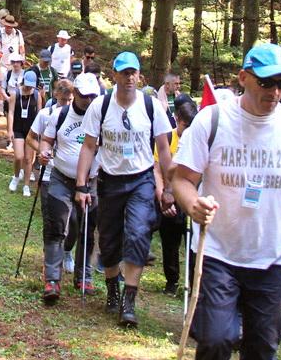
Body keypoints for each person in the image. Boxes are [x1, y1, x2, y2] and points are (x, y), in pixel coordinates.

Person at [170, 42, 281, 360]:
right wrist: (193, 205)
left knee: (263, 348)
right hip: (218, 252)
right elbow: (181, 179)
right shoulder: (214, 120)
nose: (274, 93)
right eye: (266, 83)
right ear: (243, 78)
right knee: (216, 339)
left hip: (272, 258)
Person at [74, 51, 174, 328]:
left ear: (139, 75)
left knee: (139, 233)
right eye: (124, 72)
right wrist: (82, 184)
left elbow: (164, 150)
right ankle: (112, 290)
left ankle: (129, 300)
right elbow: (89, 146)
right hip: (109, 179)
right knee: (109, 239)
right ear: (115, 75)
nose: (130, 77)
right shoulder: (101, 107)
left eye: (134, 72)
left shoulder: (152, 106)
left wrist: (168, 187)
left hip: (141, 179)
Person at [38, 75, 99, 303]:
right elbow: (46, 140)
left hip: (91, 182)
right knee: (57, 225)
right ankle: (52, 279)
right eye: (84, 96)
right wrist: (44, 152)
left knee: (86, 228)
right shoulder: (60, 114)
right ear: (76, 93)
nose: (88, 100)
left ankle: (84, 275)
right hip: (61, 179)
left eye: (93, 96)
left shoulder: (101, 118)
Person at [158, 96, 199, 295]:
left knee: (193, 245)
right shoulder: (167, 138)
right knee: (170, 242)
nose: (189, 129)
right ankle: (171, 280)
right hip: (170, 198)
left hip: (192, 201)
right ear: (176, 119)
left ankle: (193, 283)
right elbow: (158, 169)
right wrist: (163, 194)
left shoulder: (199, 141)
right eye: (185, 124)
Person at [9, 70, 42, 197]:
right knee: (18, 156)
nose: (28, 87)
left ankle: (26, 185)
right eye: (27, 84)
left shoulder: (37, 95)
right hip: (18, 128)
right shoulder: (15, 94)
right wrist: (9, 130)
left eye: (31, 85)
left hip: (31, 130)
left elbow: (40, 113)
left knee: (28, 159)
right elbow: (11, 112)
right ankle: (16, 176)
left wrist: (39, 132)